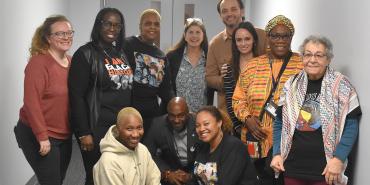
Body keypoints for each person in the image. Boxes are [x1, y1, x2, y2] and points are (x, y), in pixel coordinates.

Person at [270, 35, 361, 185]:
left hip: (326, 170)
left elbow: (351, 126)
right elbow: (280, 122)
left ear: (328, 59)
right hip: (292, 168)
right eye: (308, 54)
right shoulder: (291, 85)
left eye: (319, 55)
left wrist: (339, 159)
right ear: (302, 57)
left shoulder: (341, 85)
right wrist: (277, 153)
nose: (312, 60)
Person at [232, 15, 303, 185]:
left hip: (288, 143)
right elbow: (238, 99)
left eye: (285, 35)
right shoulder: (253, 66)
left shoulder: (302, 64)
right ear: (268, 38)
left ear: (291, 37)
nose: (280, 40)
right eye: (275, 35)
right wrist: (247, 118)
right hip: (255, 139)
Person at [68, 8, 133, 185]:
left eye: (117, 25)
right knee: (96, 176)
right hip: (96, 127)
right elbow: (76, 97)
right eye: (108, 23)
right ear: (99, 25)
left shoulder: (120, 53)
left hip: (118, 128)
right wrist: (84, 133)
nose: (113, 28)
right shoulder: (85, 54)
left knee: (116, 175)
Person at [13, 15, 74, 185]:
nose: (66, 37)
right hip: (39, 135)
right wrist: (42, 137)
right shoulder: (38, 64)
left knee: (57, 179)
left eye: (69, 32)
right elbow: (31, 103)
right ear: (48, 37)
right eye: (60, 33)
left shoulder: (71, 61)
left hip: (63, 134)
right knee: (51, 182)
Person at [206, 0, 267, 115]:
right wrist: (226, 80)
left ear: (242, 11)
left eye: (233, 9)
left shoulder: (262, 35)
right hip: (228, 114)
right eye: (225, 11)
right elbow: (209, 78)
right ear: (220, 15)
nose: (229, 14)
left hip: (260, 112)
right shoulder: (215, 44)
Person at [124, 9, 174, 137]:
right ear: (140, 26)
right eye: (148, 23)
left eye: (156, 24)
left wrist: (177, 104)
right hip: (128, 113)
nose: (152, 27)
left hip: (151, 117)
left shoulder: (161, 56)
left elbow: (165, 90)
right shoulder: (126, 45)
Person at [191, 106, 257, 185]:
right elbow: (196, 178)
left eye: (206, 124)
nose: (201, 129)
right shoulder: (202, 146)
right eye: (198, 125)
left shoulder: (234, 147)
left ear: (219, 123)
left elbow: (225, 182)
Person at [93, 107, 161, 185]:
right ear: (118, 129)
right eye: (129, 129)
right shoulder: (108, 162)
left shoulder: (142, 149)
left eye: (139, 128)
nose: (135, 134)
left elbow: (154, 177)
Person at [144, 97, 200, 185]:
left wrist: (191, 176)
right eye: (172, 116)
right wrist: (167, 173)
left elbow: (207, 153)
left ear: (188, 113)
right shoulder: (157, 125)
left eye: (181, 115)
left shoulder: (198, 122)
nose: (176, 120)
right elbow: (147, 153)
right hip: (170, 172)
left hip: (195, 172)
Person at [167, 18, 212, 113]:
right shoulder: (172, 57)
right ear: (185, 35)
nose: (194, 36)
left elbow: (213, 85)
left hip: (201, 117)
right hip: (177, 116)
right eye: (190, 32)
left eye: (198, 32)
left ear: (203, 35)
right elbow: (167, 87)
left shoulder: (210, 58)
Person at [222, 21, 259, 133]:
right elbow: (230, 102)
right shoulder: (228, 69)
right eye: (239, 40)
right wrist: (239, 128)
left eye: (247, 39)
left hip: (261, 126)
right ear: (235, 43)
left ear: (254, 41)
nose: (243, 43)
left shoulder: (265, 64)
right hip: (239, 129)